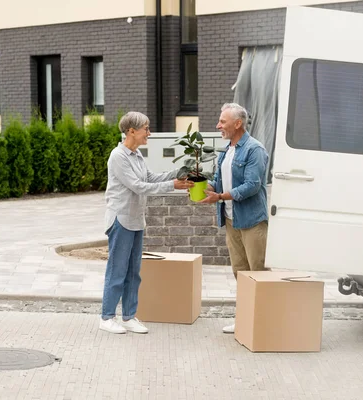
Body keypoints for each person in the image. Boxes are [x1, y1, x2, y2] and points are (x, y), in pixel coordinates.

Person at [100, 111, 194, 334]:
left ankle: (129, 316)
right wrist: (173, 185)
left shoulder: (136, 155)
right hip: (121, 220)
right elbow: (138, 186)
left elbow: (149, 178)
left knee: (134, 271)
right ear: (131, 131)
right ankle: (106, 317)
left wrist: (178, 174)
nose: (149, 133)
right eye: (146, 129)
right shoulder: (118, 156)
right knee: (117, 270)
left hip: (136, 220)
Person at [200, 103, 269, 334]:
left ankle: (262, 323)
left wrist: (220, 196)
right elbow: (220, 180)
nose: (218, 125)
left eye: (223, 121)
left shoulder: (254, 149)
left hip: (252, 221)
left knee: (256, 272)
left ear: (237, 123)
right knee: (239, 271)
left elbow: (252, 185)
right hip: (231, 219)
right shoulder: (227, 150)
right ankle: (245, 320)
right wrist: (204, 186)